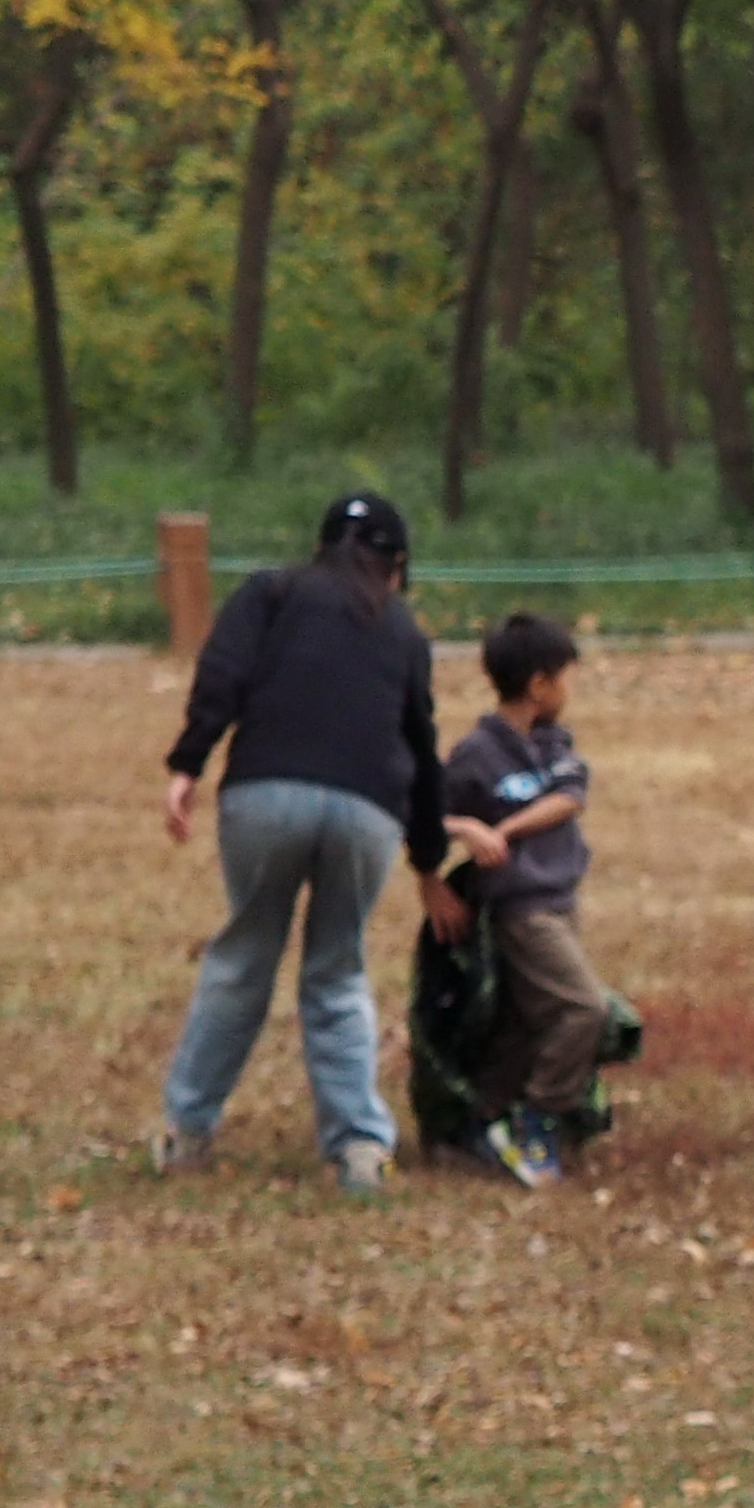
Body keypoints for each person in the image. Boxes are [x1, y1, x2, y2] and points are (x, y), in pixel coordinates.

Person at [156, 493, 461, 1194]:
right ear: (396, 564)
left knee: (243, 958)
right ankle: (357, 1149)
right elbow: (421, 745)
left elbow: (222, 674)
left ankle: (187, 1132)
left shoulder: (274, 590)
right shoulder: (404, 631)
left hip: (265, 794)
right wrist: (427, 858)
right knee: (336, 970)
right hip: (368, 812)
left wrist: (188, 763)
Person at [440, 612, 609, 1190]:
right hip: (521, 910)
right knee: (584, 1008)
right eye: (563, 678)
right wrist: (466, 827)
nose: (568, 690)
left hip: (559, 899)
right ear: (540, 685)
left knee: (524, 1020)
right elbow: (426, 819)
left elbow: (570, 799)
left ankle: (480, 1120)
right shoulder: (475, 755)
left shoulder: (553, 745)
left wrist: (504, 831)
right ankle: (536, 1117)